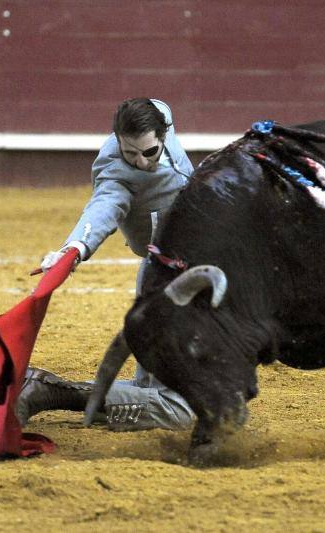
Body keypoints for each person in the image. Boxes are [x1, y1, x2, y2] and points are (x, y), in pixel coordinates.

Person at [16, 98, 196, 432]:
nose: (140, 163)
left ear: (165, 132)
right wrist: (75, 248)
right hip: (166, 282)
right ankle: (51, 392)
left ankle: (44, 387)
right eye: (130, 153)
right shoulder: (115, 171)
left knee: (151, 390)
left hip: (184, 269)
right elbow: (102, 208)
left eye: (149, 152)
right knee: (180, 410)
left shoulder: (163, 111)